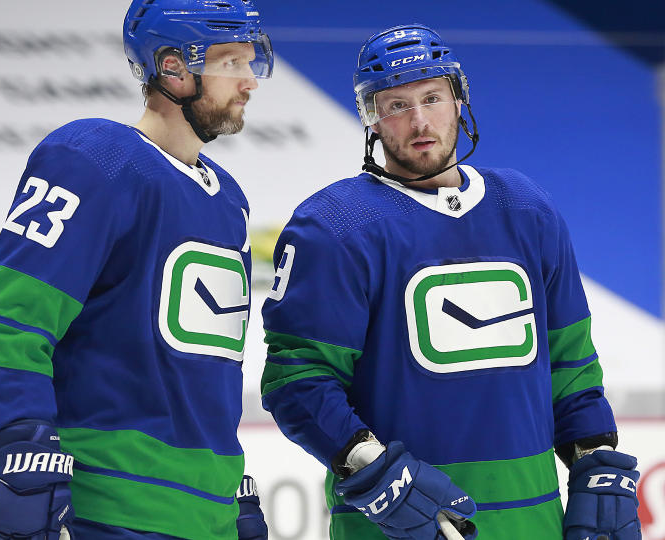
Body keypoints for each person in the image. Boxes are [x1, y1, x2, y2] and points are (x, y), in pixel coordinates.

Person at [260, 24, 642, 540]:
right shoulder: (335, 226)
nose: (419, 120)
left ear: (459, 101)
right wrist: (374, 470)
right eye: (396, 105)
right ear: (370, 118)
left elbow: (570, 364)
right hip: (404, 532)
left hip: (534, 525)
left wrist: (594, 457)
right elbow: (298, 382)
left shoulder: (525, 209)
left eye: (432, 97)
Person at [0, 1, 274, 538]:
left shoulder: (229, 201)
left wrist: (225, 488)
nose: (249, 82)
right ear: (173, 68)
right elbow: (1, 326)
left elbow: (198, 374)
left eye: (252, 62)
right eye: (230, 63)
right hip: (106, 510)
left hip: (207, 515)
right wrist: (24, 446)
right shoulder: (94, 159)